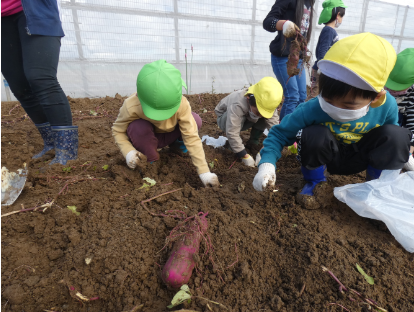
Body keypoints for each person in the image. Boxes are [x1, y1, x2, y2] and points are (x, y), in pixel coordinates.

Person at [253, 33, 412, 196]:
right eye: (328, 99)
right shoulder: (313, 108)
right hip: (327, 157)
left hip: (361, 157)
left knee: (398, 134)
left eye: (349, 104)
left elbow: (391, 142)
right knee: (313, 134)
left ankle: (376, 189)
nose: (335, 108)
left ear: (376, 97)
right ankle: (315, 184)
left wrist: (406, 157)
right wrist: (267, 166)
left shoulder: (386, 106)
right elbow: (279, 134)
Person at [112, 60, 219, 187]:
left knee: (195, 120)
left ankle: (178, 146)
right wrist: (128, 152)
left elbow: (191, 136)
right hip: (147, 138)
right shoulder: (131, 106)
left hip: (170, 135)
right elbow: (118, 130)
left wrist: (204, 172)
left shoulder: (182, 104)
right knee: (137, 127)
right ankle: (151, 161)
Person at [1, 0, 78, 165]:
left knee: (40, 77)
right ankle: (50, 143)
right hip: (3, 20)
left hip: (35, 10)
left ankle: (67, 150)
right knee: (19, 85)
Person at [263, 0, 316, 121]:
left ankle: (293, 131)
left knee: (301, 96)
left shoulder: (309, 3)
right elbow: (267, 22)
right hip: (283, 57)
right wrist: (284, 24)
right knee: (292, 96)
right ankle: (283, 135)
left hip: (299, 57)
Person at [215, 77, 283, 167]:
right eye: (257, 111)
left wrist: (265, 149)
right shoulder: (238, 103)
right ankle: (232, 146)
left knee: (266, 116)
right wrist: (243, 155)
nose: (260, 115)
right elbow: (232, 131)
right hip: (225, 119)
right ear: (248, 98)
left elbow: (275, 130)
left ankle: (253, 141)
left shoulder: (268, 103)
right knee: (237, 123)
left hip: (247, 118)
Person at [308, 0, 346, 100]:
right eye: (342, 16)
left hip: (324, 69)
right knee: (315, 95)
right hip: (321, 69)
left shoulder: (330, 31)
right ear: (337, 15)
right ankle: (305, 114)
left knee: (319, 95)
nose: (342, 20)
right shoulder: (329, 30)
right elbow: (322, 50)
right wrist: (322, 67)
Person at [384, 48, 414, 171]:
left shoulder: (411, 97)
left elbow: (412, 123)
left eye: (399, 88)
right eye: (390, 85)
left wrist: (410, 147)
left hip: (399, 131)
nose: (393, 91)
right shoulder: (380, 87)